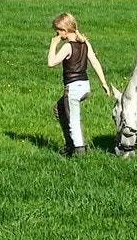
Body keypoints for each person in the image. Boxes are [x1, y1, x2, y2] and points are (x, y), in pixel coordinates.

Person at [46, 12, 115, 157]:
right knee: (59, 109)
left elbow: (51, 63)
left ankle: (79, 151)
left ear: (64, 30)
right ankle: (70, 144)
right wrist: (104, 83)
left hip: (73, 89)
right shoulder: (84, 44)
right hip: (85, 86)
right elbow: (95, 63)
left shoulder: (68, 47)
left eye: (57, 31)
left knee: (73, 120)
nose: (56, 34)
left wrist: (53, 45)